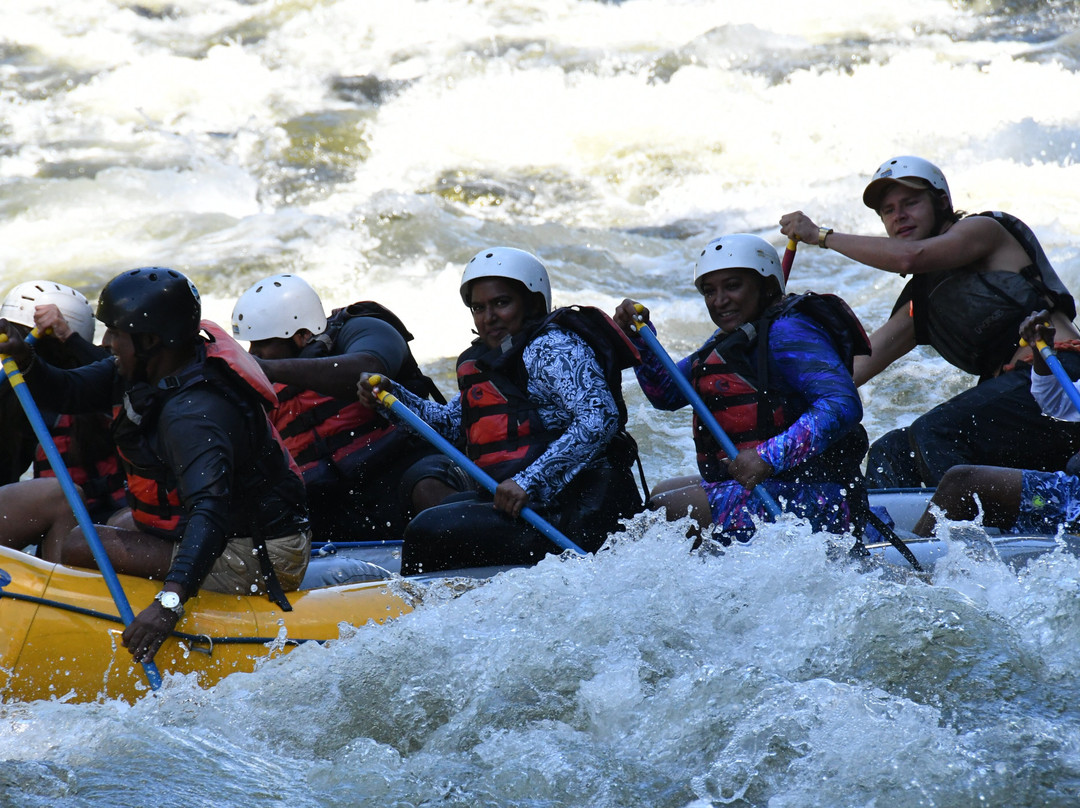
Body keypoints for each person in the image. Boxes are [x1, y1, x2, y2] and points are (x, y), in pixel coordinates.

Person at [0, 267, 311, 665]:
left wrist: (168, 605)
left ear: (149, 341)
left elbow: (210, 514)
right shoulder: (155, 367)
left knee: (80, 542)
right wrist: (28, 361)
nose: (107, 342)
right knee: (125, 521)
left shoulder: (193, 413)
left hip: (259, 555)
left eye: (116, 333)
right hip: (233, 532)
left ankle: (72, 627)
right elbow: (71, 391)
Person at [780, 155, 1080, 488]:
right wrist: (773, 396)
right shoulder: (918, 304)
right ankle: (901, 537)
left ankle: (966, 531)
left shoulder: (984, 232)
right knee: (891, 453)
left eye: (910, 202)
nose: (900, 216)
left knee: (934, 433)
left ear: (941, 202)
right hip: (1019, 413)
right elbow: (850, 371)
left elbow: (911, 256)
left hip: (1063, 379)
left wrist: (821, 236)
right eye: (889, 211)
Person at [357, 247, 644, 573]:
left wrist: (528, 481)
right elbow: (452, 425)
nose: (488, 317)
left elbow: (599, 416)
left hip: (583, 508)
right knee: (441, 510)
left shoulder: (550, 347)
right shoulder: (492, 357)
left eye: (501, 303)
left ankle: (423, 609)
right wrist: (391, 399)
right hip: (535, 505)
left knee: (429, 530)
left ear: (533, 303)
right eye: (479, 307)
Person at [612, 234, 871, 544]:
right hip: (778, 488)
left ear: (767, 287)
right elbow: (666, 392)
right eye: (710, 291)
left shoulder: (789, 330)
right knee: (662, 492)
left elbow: (842, 404)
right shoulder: (735, 337)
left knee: (665, 509)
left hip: (823, 499)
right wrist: (640, 339)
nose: (719, 300)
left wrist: (767, 456)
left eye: (732, 286)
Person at [230, 273, 444, 542]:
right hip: (331, 502)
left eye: (262, 344)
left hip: (402, 473)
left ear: (303, 335)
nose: (253, 354)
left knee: (428, 483)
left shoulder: (365, 329)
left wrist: (269, 369)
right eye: (250, 346)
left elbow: (369, 369)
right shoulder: (264, 390)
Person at [913, 311, 1080, 537]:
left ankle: (913, 568)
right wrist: (1042, 349)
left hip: (1074, 502)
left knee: (962, 482)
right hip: (1071, 493)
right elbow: (1054, 402)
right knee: (896, 446)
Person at [0, 281, 127, 554]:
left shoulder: (104, 386)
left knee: (64, 498)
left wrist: (67, 336)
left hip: (102, 528)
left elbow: (118, 376)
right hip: (66, 529)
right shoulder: (14, 398)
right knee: (62, 498)